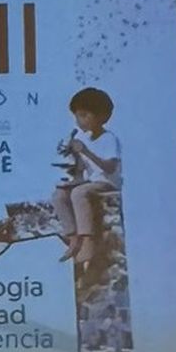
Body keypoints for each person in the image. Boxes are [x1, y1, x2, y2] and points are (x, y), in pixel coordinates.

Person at [52, 87, 122, 266]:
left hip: (106, 182)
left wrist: (86, 151)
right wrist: (73, 156)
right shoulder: (85, 138)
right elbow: (82, 169)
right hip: (91, 182)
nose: (79, 121)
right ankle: (73, 238)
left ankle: (88, 241)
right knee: (59, 194)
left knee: (79, 193)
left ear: (102, 116)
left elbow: (110, 167)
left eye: (84, 115)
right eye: (77, 116)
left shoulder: (109, 139)